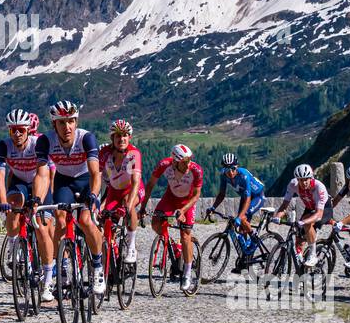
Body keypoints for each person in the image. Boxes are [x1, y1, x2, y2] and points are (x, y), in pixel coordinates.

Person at [31, 101, 105, 298]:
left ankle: (98, 267)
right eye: (62, 122)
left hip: (86, 180)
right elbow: (43, 175)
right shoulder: (46, 141)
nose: (67, 127)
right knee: (60, 217)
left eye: (71, 121)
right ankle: (62, 268)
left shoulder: (86, 138)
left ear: (76, 121)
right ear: (55, 124)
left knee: (85, 220)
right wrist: (37, 199)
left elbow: (95, 173)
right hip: (64, 181)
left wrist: (94, 196)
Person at [0, 109, 54, 298]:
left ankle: (48, 278)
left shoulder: (38, 144)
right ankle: (13, 244)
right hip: (19, 182)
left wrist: (37, 200)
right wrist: (3, 202)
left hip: (39, 181)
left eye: (21, 130)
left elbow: (44, 174)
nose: (17, 134)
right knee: (13, 206)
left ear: (28, 130)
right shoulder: (4, 146)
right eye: (13, 130)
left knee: (41, 227)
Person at [141, 144, 204, 290]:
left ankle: (187, 273)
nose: (188, 164)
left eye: (189, 160)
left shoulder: (196, 170)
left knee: (185, 235)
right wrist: (143, 207)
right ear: (175, 162)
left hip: (188, 202)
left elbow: (196, 196)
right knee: (156, 222)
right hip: (170, 197)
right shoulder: (164, 165)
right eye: (184, 162)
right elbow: (150, 185)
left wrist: (182, 210)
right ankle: (174, 247)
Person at [206, 153, 265, 273]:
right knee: (241, 231)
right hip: (245, 196)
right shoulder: (224, 176)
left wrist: (240, 217)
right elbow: (222, 194)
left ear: (237, 167)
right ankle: (244, 260)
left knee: (242, 219)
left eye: (233, 168)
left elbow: (248, 199)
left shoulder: (243, 175)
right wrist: (213, 207)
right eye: (227, 169)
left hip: (257, 196)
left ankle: (254, 239)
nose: (231, 172)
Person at [98, 119, 144, 265]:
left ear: (129, 137)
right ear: (112, 138)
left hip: (132, 190)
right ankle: (111, 258)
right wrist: (95, 202)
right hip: (114, 192)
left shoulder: (133, 153)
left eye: (125, 135)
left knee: (127, 206)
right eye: (118, 136)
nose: (121, 139)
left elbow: (136, 181)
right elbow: (97, 177)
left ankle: (131, 246)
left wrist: (128, 205)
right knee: (104, 222)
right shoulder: (105, 153)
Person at [271, 163, 329, 268]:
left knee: (307, 224)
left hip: (324, 209)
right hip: (310, 208)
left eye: (306, 179)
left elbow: (319, 214)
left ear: (311, 178)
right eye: (301, 180)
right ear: (297, 179)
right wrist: (277, 216)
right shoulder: (293, 184)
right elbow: (285, 204)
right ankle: (301, 266)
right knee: (299, 238)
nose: (304, 182)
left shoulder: (319, 187)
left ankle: (313, 254)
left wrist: (304, 222)